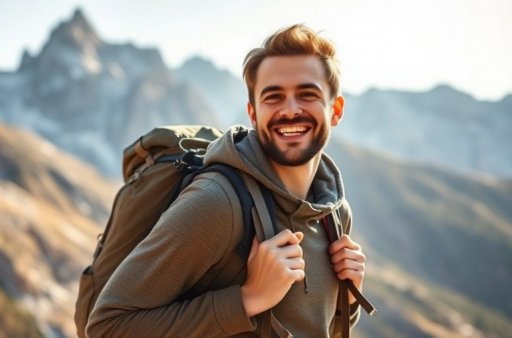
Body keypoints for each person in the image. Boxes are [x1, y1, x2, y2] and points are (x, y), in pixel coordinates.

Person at [86, 24, 366, 337]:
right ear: (253, 113)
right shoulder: (218, 202)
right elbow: (107, 327)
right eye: (273, 97)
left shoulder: (334, 214)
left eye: (307, 94)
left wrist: (348, 298)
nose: (290, 110)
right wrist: (248, 299)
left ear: (336, 109)